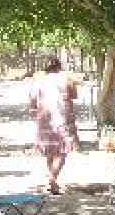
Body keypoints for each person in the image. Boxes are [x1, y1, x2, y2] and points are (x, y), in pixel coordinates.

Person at [29, 58, 79, 194]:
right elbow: (74, 95)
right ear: (59, 66)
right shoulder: (67, 79)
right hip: (63, 118)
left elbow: (32, 102)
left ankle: (53, 181)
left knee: (50, 151)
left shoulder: (38, 81)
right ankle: (52, 179)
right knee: (63, 151)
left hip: (44, 119)